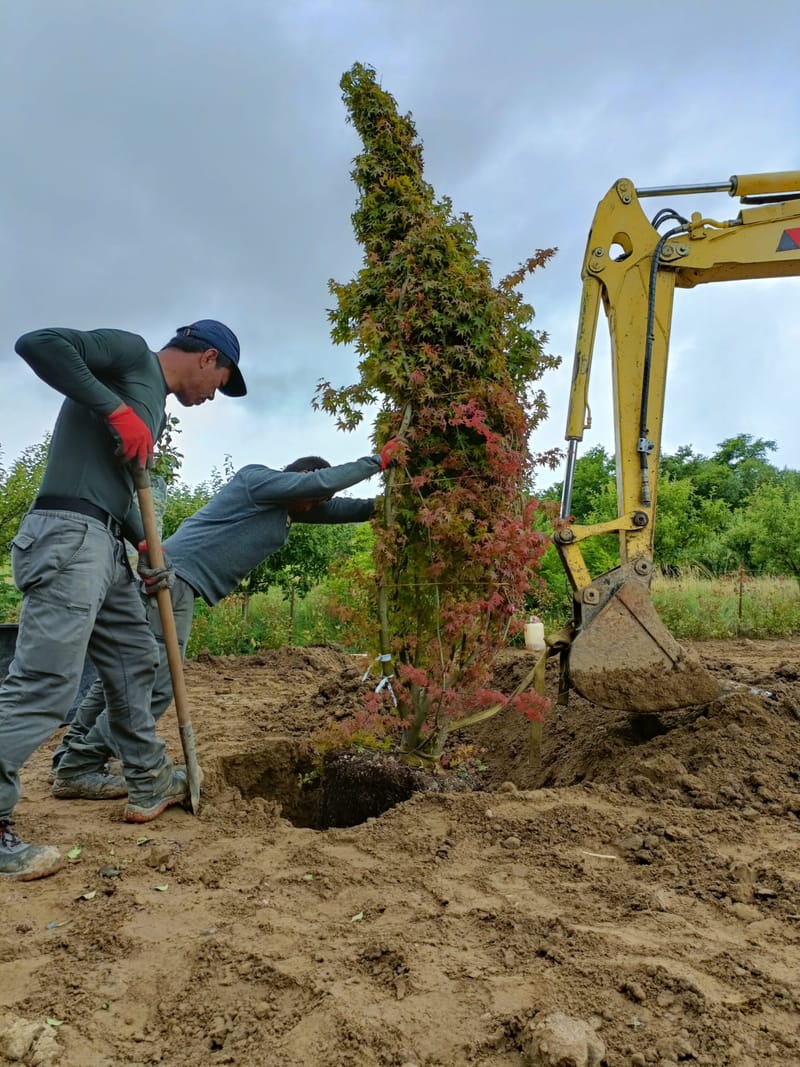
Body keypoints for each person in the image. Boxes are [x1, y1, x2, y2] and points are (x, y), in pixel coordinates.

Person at [0, 319, 247, 881]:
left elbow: (117, 488)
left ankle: (146, 777)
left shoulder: (153, 400)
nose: (212, 397)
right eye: (221, 381)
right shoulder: (132, 356)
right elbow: (37, 345)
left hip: (106, 543)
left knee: (139, 661)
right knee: (45, 685)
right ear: (207, 357)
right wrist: (116, 411)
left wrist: (143, 542)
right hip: (68, 535)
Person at [49, 441, 402, 798]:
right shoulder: (258, 480)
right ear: (302, 476)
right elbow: (319, 488)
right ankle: (80, 765)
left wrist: (387, 506)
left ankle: (71, 756)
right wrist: (378, 462)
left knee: (120, 673)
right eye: (311, 495)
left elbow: (337, 507)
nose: (312, 507)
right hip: (174, 580)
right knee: (154, 685)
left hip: (173, 579)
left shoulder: (283, 507)